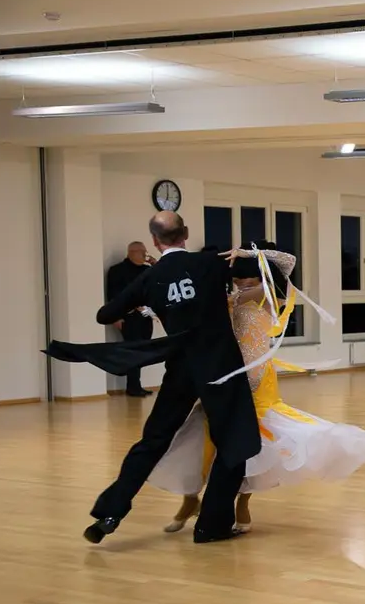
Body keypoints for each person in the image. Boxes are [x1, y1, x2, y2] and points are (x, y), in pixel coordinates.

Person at [50, 212, 260, 545]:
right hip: (220, 368)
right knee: (234, 442)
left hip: (181, 368)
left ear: (154, 241)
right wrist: (246, 254)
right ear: (186, 234)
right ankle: (211, 526)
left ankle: (110, 512)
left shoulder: (151, 278)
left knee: (152, 441)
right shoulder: (210, 264)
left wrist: (145, 302)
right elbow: (274, 272)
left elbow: (104, 315)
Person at [149, 249, 365, 533]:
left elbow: (288, 262)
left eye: (248, 278)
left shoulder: (265, 295)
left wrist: (250, 253)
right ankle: (190, 500)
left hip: (257, 379)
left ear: (260, 277)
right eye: (238, 280)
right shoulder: (227, 299)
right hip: (224, 376)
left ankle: (242, 505)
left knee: (252, 443)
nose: (242, 284)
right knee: (198, 439)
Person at [105, 241, 156, 397]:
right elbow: (113, 295)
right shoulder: (117, 271)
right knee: (132, 350)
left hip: (145, 316)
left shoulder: (147, 270)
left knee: (142, 351)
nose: (145, 255)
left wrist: (155, 264)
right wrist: (116, 316)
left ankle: (136, 385)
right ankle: (132, 386)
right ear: (132, 252)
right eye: (143, 252)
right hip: (128, 317)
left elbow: (159, 283)